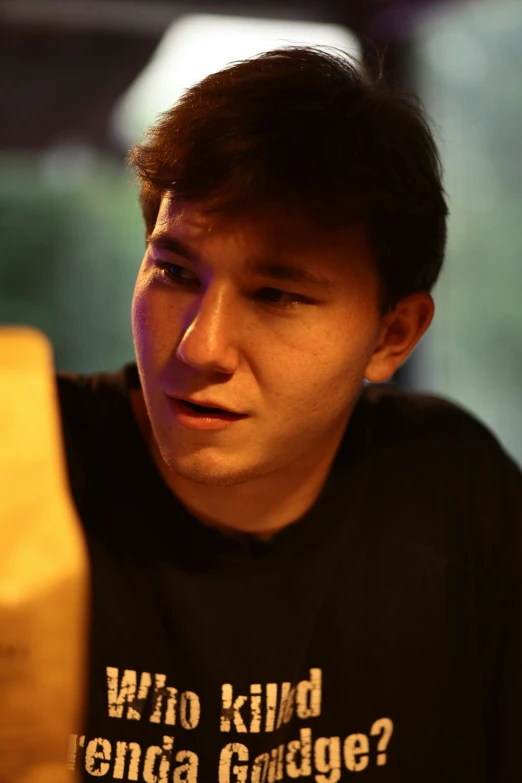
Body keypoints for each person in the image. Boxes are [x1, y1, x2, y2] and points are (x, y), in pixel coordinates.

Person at [56, 46, 521, 782]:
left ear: (392, 333)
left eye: (276, 295)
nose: (200, 346)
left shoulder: (452, 492)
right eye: (174, 272)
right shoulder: (32, 463)